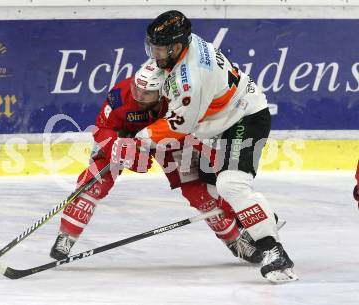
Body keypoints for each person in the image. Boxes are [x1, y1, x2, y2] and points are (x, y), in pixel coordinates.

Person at [112, 11, 298, 283]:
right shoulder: (184, 47)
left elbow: (179, 126)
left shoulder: (192, 77)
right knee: (210, 185)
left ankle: (274, 252)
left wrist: (138, 139)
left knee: (231, 185)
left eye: (161, 49)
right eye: (153, 47)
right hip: (220, 123)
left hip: (244, 117)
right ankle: (263, 218)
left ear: (177, 46)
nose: (155, 54)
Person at [50, 59, 263, 264]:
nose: (140, 96)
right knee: (96, 179)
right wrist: (116, 146)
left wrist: (212, 160)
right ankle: (67, 235)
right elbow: (102, 128)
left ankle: (235, 240)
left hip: (169, 139)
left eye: (147, 93)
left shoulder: (180, 96)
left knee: (198, 193)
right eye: (137, 89)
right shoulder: (120, 95)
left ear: (162, 91)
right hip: (126, 138)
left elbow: (192, 130)